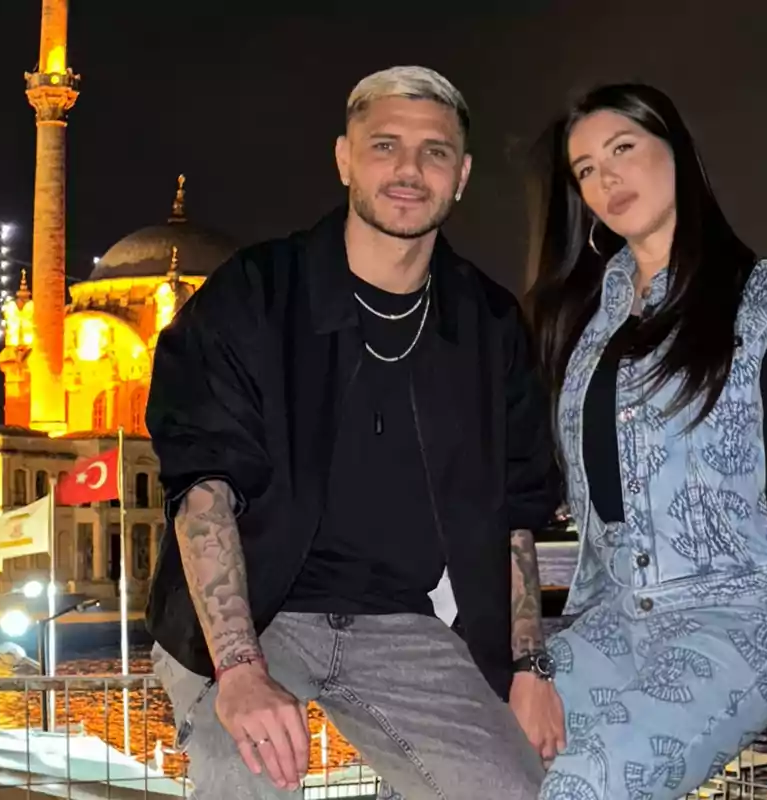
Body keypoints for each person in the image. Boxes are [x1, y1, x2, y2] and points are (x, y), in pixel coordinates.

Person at [145, 65, 565, 799]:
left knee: (512, 787)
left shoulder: (488, 324)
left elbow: (515, 511)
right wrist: (241, 672)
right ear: (345, 159)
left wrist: (529, 671)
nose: (409, 169)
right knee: (244, 771)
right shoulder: (254, 294)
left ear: (461, 175)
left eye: (434, 152)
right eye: (384, 146)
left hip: (393, 623)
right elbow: (204, 486)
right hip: (256, 613)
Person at [525, 83, 767, 799]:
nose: (605, 179)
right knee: (467, 753)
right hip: (616, 615)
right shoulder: (587, 321)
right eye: (584, 169)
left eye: (623, 150)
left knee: (583, 784)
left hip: (739, 621)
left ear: (678, 153)